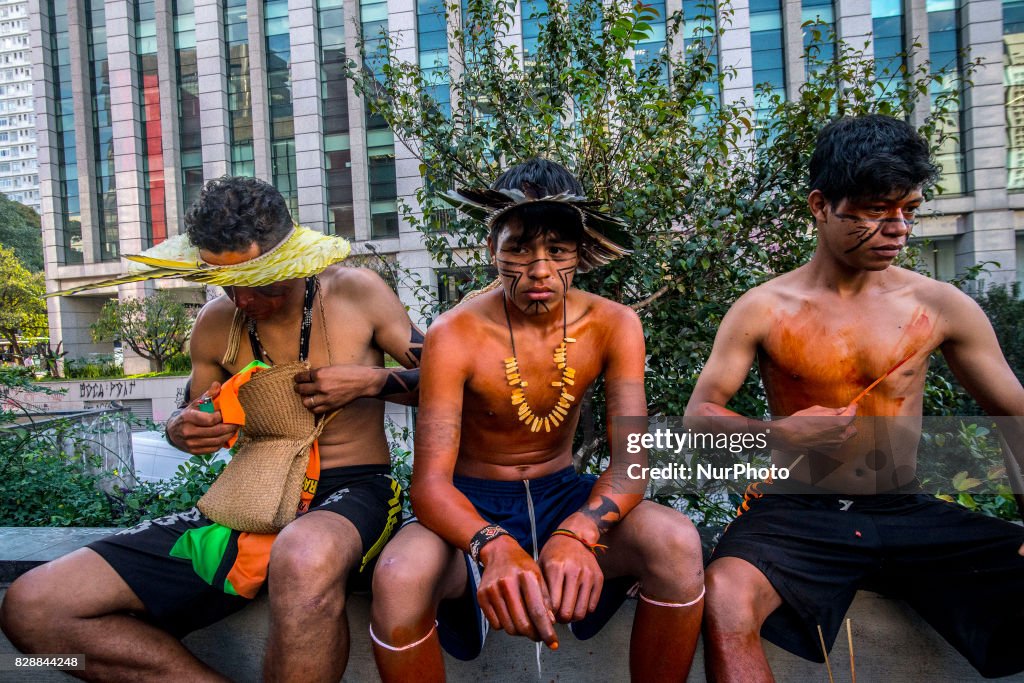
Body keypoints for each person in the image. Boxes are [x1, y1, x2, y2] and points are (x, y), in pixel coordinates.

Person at [1, 176, 422, 682]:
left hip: (354, 491)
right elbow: (192, 410)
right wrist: (184, 429)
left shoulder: (358, 291)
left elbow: (443, 380)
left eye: (263, 281)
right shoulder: (215, 321)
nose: (245, 299)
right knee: (31, 608)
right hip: (245, 501)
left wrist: (372, 381)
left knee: (304, 554)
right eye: (228, 283)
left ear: (292, 256)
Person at [685, 115, 1024, 680]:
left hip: (902, 506)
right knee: (724, 594)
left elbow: (1014, 414)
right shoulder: (765, 308)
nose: (897, 229)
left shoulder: (940, 304)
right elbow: (700, 417)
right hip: (799, 510)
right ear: (820, 205)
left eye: (908, 210)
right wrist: (780, 434)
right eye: (874, 210)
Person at [368, 159, 705, 682]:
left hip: (564, 495)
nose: (541, 270)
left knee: (677, 543)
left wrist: (579, 531)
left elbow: (632, 461)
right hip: (470, 504)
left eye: (558, 251)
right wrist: (493, 545)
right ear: (491, 250)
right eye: (519, 249)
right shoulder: (454, 334)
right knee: (397, 577)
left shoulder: (615, 324)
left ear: (582, 252)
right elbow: (431, 485)